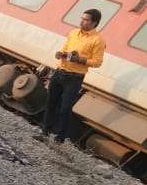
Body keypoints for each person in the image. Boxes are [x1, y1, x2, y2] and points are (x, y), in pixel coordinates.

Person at [38, 8, 106, 145]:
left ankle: (59, 138)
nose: (82, 21)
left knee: (65, 108)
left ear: (94, 23)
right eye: (82, 18)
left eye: (86, 20)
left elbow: (98, 62)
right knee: (51, 103)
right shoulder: (74, 33)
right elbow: (66, 48)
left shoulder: (98, 40)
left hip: (75, 78)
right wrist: (61, 53)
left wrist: (80, 60)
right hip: (60, 72)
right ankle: (44, 131)